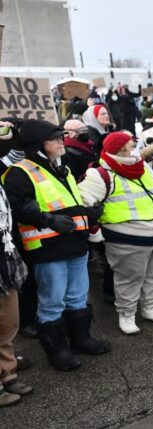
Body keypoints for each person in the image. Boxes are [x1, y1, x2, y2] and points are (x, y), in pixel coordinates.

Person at [3, 119, 111, 371]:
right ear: (38, 144)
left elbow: (64, 202)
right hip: (48, 249)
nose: (61, 141)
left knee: (78, 296)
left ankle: (81, 340)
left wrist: (86, 211)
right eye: (55, 138)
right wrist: (48, 220)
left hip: (75, 243)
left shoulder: (60, 168)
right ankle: (57, 351)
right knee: (52, 302)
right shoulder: (21, 171)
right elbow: (17, 207)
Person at [78, 132, 153, 335]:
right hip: (127, 238)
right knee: (129, 279)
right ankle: (127, 314)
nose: (134, 149)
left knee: (151, 277)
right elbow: (84, 203)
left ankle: (149, 307)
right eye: (130, 146)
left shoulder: (142, 165)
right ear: (120, 150)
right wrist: (95, 231)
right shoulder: (100, 174)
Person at [0, 127, 32, 403]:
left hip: (4, 254)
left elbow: (9, 145)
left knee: (9, 321)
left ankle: (7, 373)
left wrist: (12, 129)